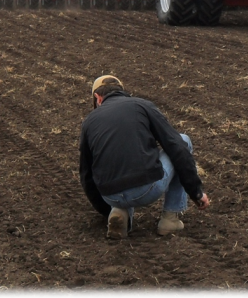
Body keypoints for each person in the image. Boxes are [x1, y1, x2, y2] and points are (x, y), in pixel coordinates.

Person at [79, 75, 210, 240]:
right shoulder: (142, 105)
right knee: (183, 140)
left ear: (98, 98)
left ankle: (118, 211)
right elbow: (177, 147)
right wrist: (196, 192)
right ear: (122, 91)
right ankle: (170, 219)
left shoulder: (89, 122)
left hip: (109, 195)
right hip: (146, 190)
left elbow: (86, 175)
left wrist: (105, 208)